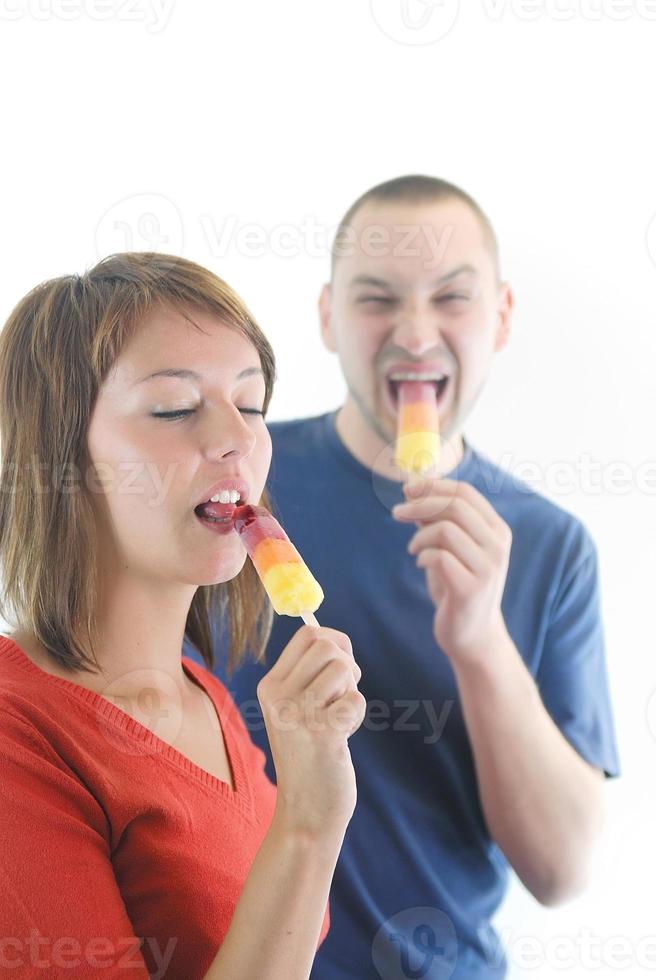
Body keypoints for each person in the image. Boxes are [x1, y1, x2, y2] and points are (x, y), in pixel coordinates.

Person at [187, 176, 621, 979]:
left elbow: (561, 872)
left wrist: (479, 637)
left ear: (501, 317)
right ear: (327, 316)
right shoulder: (233, 485)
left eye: (452, 298)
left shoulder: (553, 547)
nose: (415, 334)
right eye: (377, 298)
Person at [0, 252, 366, 979]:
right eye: (174, 407)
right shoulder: (19, 734)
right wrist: (308, 825)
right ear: (63, 453)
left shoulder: (211, 700)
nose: (237, 437)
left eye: (252, 403)